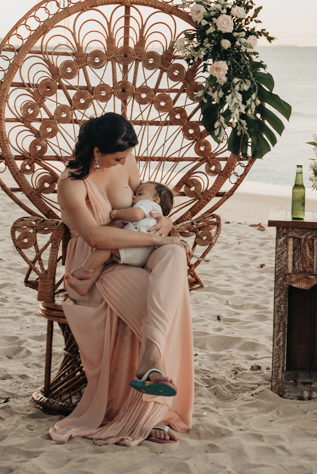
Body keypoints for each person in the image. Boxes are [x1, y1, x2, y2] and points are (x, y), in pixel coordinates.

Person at [48, 113, 193, 447]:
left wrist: (166, 224)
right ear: (97, 151)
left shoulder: (126, 161)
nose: (125, 163)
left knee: (175, 255)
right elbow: (95, 236)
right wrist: (156, 239)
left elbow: (146, 207)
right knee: (158, 298)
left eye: (127, 156)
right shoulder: (71, 183)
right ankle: (149, 411)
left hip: (135, 248)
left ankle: (151, 359)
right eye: (118, 158)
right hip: (96, 263)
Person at [65, 181, 175, 293]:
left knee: (105, 248)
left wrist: (118, 213)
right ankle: (85, 285)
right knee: (103, 259)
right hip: (142, 254)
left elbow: (136, 215)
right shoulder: (154, 215)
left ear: (156, 200)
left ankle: (86, 269)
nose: (134, 197)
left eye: (140, 194)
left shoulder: (148, 204)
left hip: (136, 248)